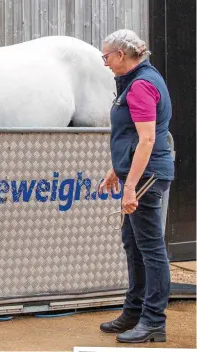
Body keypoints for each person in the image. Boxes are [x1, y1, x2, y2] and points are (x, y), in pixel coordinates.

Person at [98, 29, 174, 343]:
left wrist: (130, 187)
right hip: (139, 172)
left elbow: (146, 140)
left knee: (151, 249)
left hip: (147, 175)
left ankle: (154, 320)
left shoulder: (141, 85)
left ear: (122, 55)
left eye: (106, 56)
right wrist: (117, 169)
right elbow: (131, 135)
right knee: (134, 244)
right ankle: (134, 311)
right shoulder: (138, 79)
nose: (105, 63)